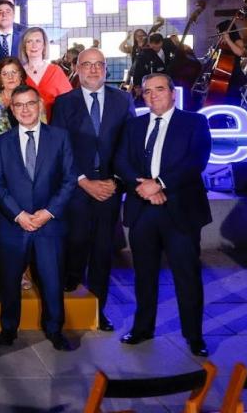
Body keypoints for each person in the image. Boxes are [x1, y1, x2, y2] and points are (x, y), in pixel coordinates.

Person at [115, 73, 212, 357]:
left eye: (159, 89)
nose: (153, 95)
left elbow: (196, 161)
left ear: (173, 93)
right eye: (147, 91)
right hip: (143, 209)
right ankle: (142, 328)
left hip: (180, 211)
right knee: (144, 275)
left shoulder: (194, 123)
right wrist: (144, 187)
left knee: (187, 276)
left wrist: (159, 184)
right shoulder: (133, 125)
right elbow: (121, 161)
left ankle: (194, 336)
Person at [51, 48, 135, 332]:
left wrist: (118, 181)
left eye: (99, 64)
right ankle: (71, 279)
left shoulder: (123, 100)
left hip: (110, 187)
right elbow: (60, 148)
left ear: (106, 69)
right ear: (77, 69)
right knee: (75, 241)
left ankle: (99, 309)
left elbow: (130, 145)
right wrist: (83, 181)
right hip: (77, 186)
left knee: (102, 249)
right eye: (87, 64)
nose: (94, 69)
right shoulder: (64, 103)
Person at [0, 85, 76, 352]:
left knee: (52, 281)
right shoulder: (1, 143)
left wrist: (47, 213)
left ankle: (55, 329)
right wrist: (18, 215)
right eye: (19, 105)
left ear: (39, 105)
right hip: (13, 226)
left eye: (30, 103)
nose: (25, 109)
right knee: (9, 282)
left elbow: (69, 179)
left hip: (49, 225)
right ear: (12, 110)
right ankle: (8, 328)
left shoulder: (60, 137)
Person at [0, 57, 40, 146]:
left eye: (14, 72)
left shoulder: (35, 101)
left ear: (21, 75)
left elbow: (43, 135)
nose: (10, 77)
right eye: (5, 74)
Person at [20, 27, 71, 121]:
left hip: (54, 125)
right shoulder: (18, 73)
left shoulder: (56, 71)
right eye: (29, 41)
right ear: (24, 46)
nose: (34, 45)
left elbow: (70, 102)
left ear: (44, 45)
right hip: (25, 126)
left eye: (38, 41)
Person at [129, 33, 171, 98]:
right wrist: (137, 86)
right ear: (149, 43)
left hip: (165, 82)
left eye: (157, 43)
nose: (155, 46)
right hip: (150, 83)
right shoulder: (144, 54)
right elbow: (138, 70)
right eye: (152, 44)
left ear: (161, 42)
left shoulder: (167, 48)